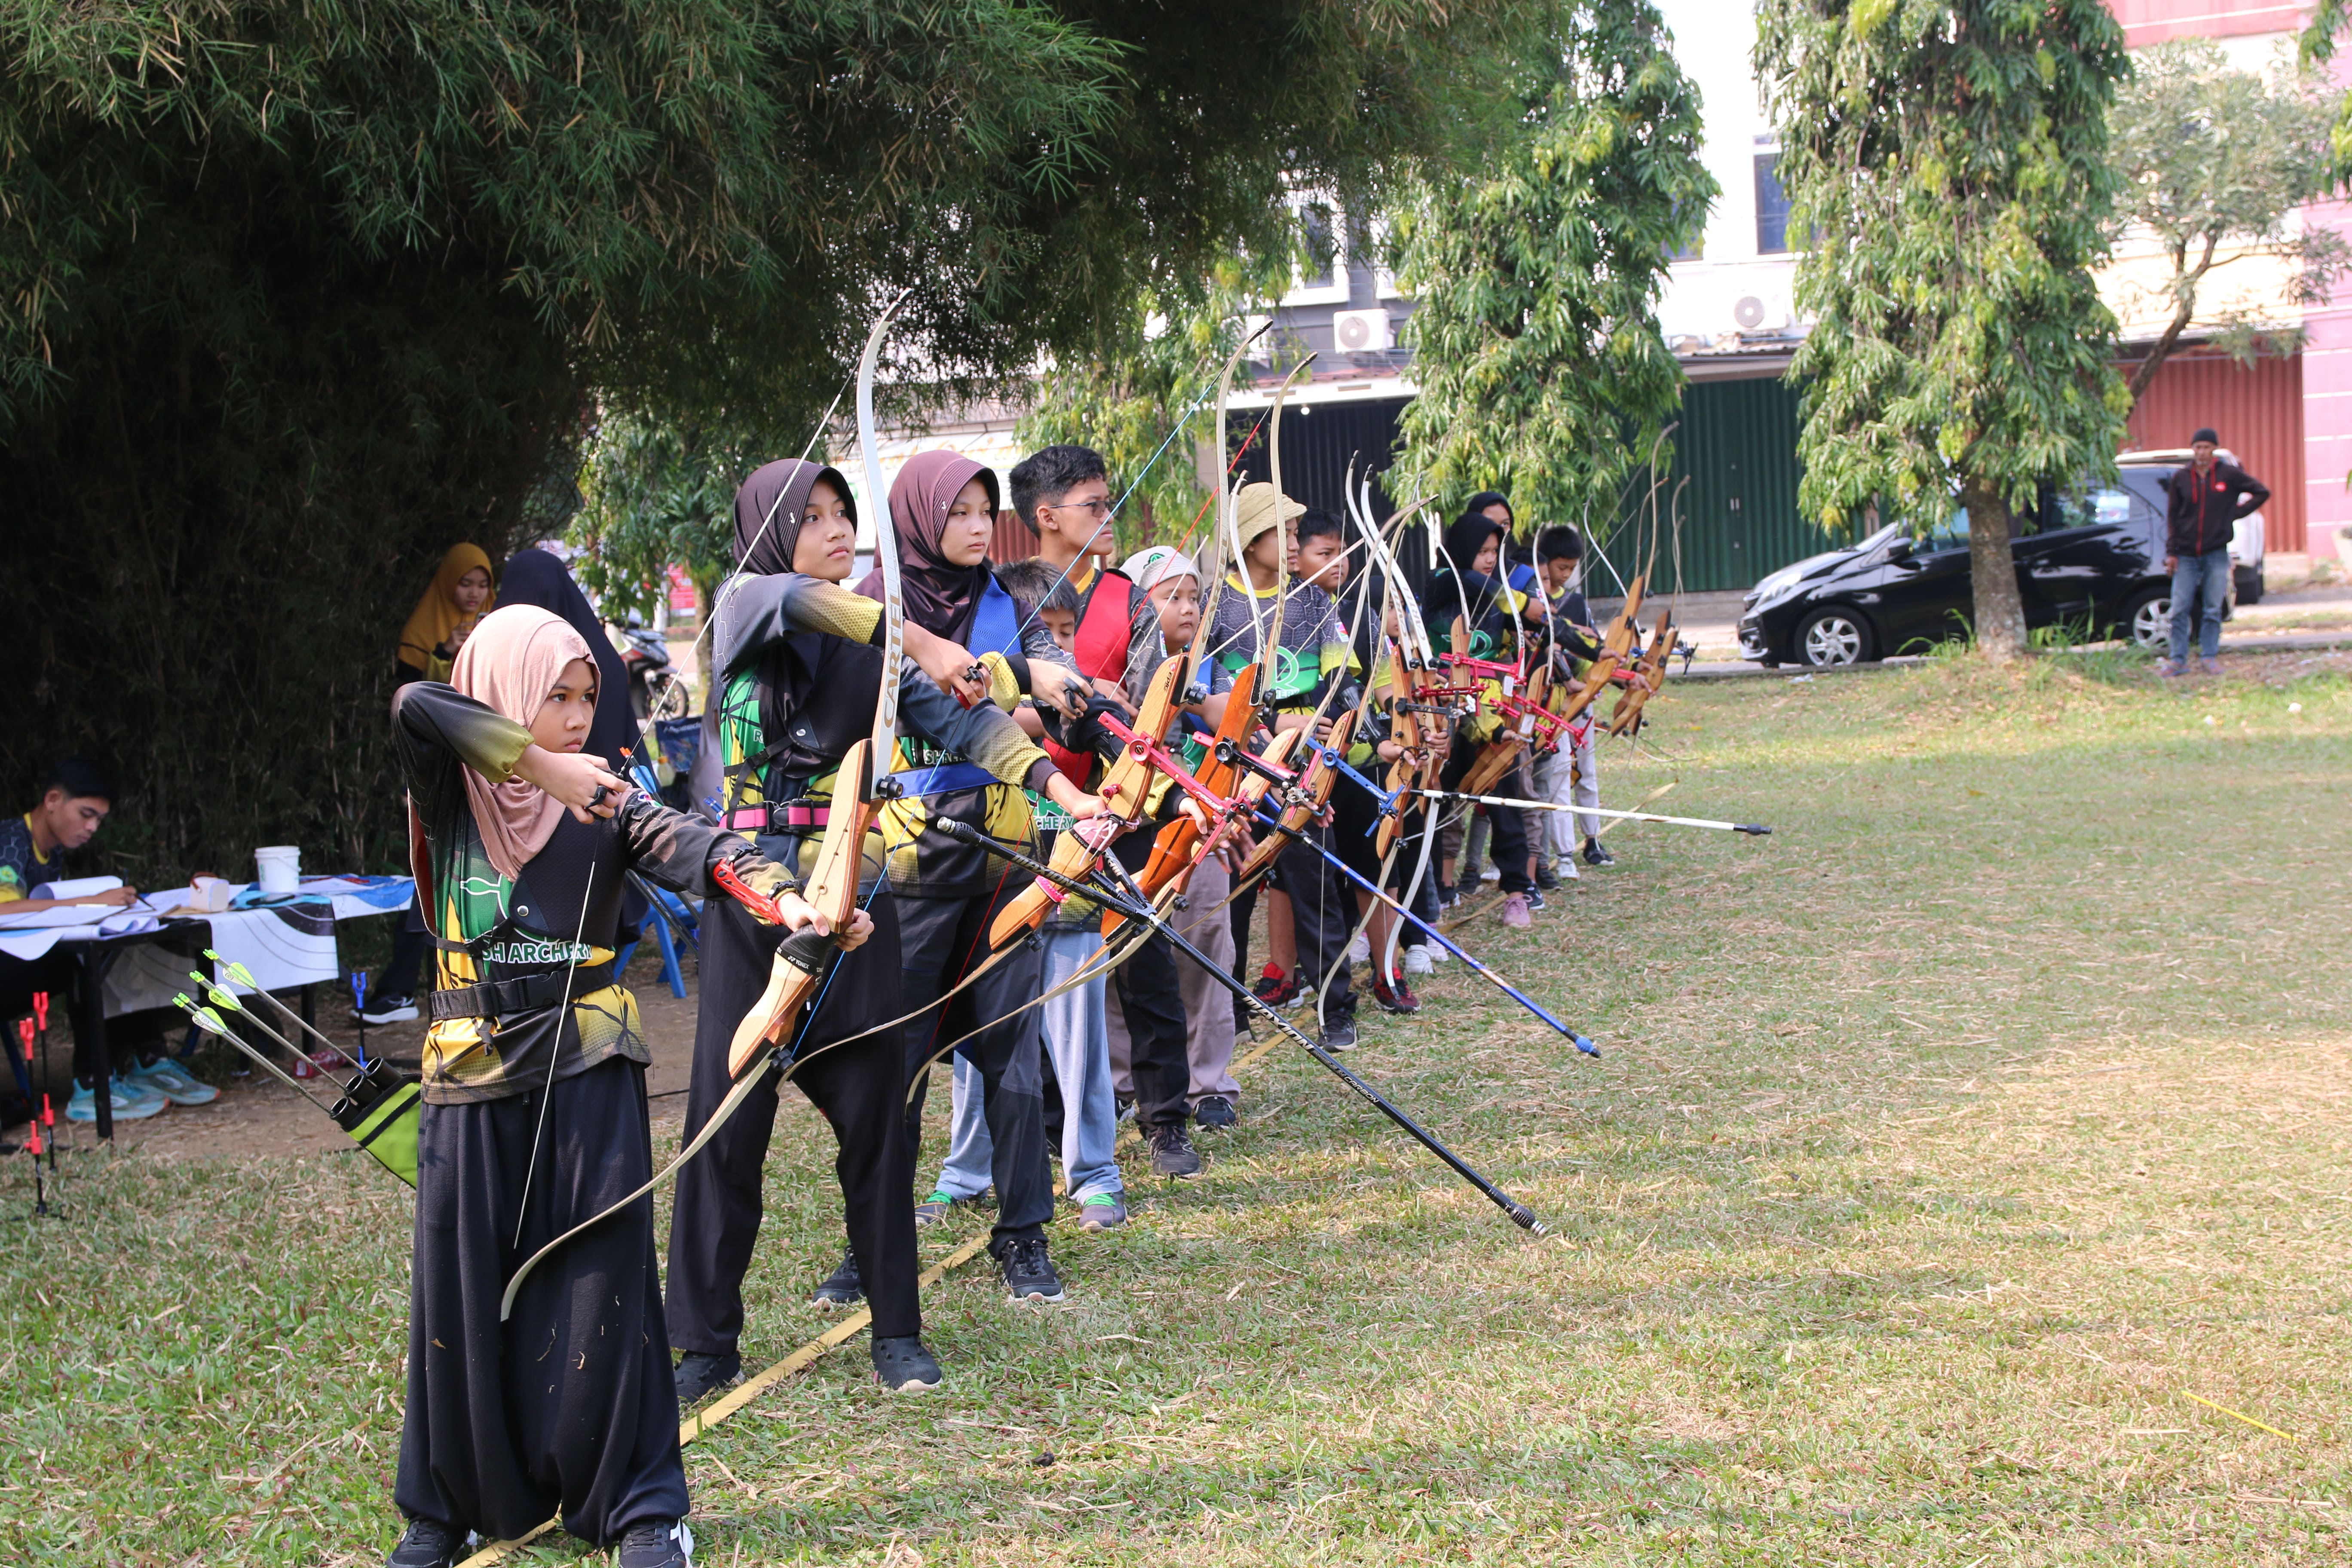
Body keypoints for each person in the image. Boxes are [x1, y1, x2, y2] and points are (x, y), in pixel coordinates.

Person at [386, 603, 802, 1568]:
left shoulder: (611, 800)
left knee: (603, 1284)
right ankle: (444, 1509)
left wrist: (790, 901)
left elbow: (696, 847)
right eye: (554, 698)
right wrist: (539, 767)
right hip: (470, 1068)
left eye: (587, 698)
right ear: (502, 696)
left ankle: (642, 1508)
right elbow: (415, 703)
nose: (577, 718)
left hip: (589, 1067)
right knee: (459, 1289)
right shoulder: (452, 792)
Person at [664, 457, 1065, 1412]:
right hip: (752, 902)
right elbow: (812, 602)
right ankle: (703, 1345)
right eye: (813, 518)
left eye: (845, 515)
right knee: (725, 1130)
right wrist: (919, 637)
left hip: (851, 898)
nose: (838, 531)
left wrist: (1068, 792)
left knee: (879, 1123)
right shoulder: (743, 609)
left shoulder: (875, 656)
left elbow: (973, 732)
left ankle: (896, 1330)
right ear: (771, 534)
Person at [853, 449, 1106, 1298]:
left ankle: (1024, 1238)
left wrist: (1081, 703)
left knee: (1014, 1058)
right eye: (954, 512)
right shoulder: (873, 606)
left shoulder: (1005, 600)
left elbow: (1048, 693)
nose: (972, 527)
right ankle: (871, 1243)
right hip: (912, 869)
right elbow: (918, 693)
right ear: (918, 519)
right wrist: (1015, 683)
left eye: (980, 511)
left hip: (1005, 861)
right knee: (896, 1069)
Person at [1004, 444, 1202, 1179]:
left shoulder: (1124, 595)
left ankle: (1165, 1120)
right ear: (1047, 516)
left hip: (1126, 801)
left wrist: (1134, 782)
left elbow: (1157, 699)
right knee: (1036, 973)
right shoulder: (1011, 596)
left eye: (1108, 501)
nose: (1108, 516)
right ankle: (1050, 1124)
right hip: (1034, 806)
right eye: (1093, 505)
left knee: (1146, 961)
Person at [924, 553, 1131, 1228]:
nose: (1059, 648)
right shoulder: (965, 684)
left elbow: (1118, 745)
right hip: (993, 883)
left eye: (1065, 632)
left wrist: (1102, 714)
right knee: (975, 1041)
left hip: (1071, 882)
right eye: (1044, 634)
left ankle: (1095, 1173)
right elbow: (981, 728)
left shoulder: (1074, 692)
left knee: (1079, 1035)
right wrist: (1029, 698)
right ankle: (965, 1172)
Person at [1211, 495, 1361, 1048]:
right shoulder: (1213, 606)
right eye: (1286, 532)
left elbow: (1340, 684)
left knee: (1316, 884)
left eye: (1299, 531)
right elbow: (1206, 692)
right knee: (1231, 896)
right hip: (1235, 771)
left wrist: (1316, 720)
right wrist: (1269, 725)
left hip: (1301, 770)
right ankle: (1229, 1010)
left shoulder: (1313, 603)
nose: (1297, 543)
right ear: (1252, 540)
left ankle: (1335, 1006)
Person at [0, 757, 214, 1120]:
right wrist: (89, 902)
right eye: (86, 814)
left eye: (98, 819)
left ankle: (150, 1059)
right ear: (52, 800)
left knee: (116, 948)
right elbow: (5, 911)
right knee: (84, 957)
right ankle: (92, 1085)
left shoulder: (49, 850)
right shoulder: (12, 843)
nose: (92, 827)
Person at [372, 544, 499, 1026]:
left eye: (481, 584)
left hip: (486, 766)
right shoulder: (423, 633)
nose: (473, 594)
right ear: (448, 584)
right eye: (465, 583)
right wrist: (445, 654)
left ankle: (455, 982)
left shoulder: (497, 629)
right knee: (433, 869)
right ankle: (411, 987)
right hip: (435, 772)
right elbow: (405, 702)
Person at [1426, 510, 1545, 930]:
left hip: (1492, 714)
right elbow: (1468, 581)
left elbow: (1519, 649)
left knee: (1505, 800)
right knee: (1440, 802)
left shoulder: (1499, 605)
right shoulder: (1441, 585)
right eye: (1482, 550)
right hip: (1444, 714)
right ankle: (1440, 889)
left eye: (1496, 551)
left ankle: (1517, 892)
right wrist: (1521, 602)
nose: (1490, 558)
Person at [1531, 525, 1611, 877]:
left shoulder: (1576, 603)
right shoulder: (1535, 602)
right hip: (1549, 704)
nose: (1565, 576)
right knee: (1560, 774)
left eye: (1570, 569)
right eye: (1560, 568)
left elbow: (1595, 647)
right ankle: (1564, 855)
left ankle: (1592, 839)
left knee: (1587, 771)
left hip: (1582, 702)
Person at [2161, 429, 2267, 677]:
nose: (2202, 452)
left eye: (2207, 447)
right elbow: (2173, 517)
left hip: (2216, 553)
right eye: (2197, 447)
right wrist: (2171, 552)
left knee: (2212, 608)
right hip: (2186, 555)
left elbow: (2261, 492)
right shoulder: (2182, 478)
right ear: (2192, 449)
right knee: (2179, 609)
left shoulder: (2228, 475)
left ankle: (2209, 657)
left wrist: (2234, 514)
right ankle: (2178, 660)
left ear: (2214, 450)